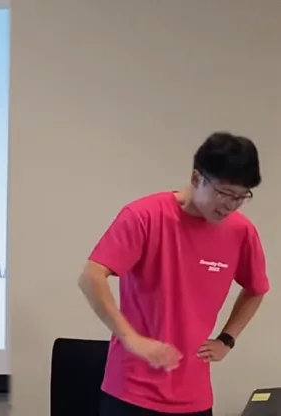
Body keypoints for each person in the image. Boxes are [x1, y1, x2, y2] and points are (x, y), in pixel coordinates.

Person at [78, 132, 270, 416]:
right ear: (196, 178)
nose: (231, 205)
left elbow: (256, 289)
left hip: (194, 396)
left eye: (241, 197)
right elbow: (91, 277)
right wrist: (131, 339)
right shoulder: (144, 216)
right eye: (225, 193)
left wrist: (227, 339)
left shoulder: (241, 231)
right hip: (131, 392)